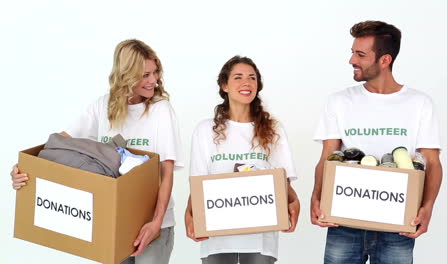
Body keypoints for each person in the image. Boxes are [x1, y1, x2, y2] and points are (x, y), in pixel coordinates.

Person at [10, 39, 183, 264]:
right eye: (145, 75)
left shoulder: (161, 110)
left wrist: (157, 222)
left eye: (155, 73)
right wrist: (24, 168)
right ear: (126, 75)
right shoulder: (103, 107)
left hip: (151, 225)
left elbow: (166, 172)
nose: (154, 80)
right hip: (112, 222)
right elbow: (58, 145)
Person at [310, 20, 443, 264]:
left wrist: (427, 206)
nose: (352, 60)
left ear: (385, 60)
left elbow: (432, 162)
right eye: (352, 52)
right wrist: (316, 197)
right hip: (343, 220)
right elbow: (327, 156)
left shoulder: (419, 103)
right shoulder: (338, 101)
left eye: (360, 54)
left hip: (399, 222)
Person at [184, 56, 300, 264]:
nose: (246, 83)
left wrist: (293, 201)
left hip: (261, 237)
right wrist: (190, 215)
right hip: (217, 237)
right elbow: (198, 181)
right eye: (238, 77)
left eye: (252, 78)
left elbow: (283, 181)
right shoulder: (205, 130)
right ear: (224, 85)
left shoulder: (273, 129)